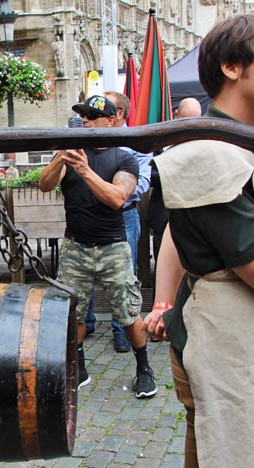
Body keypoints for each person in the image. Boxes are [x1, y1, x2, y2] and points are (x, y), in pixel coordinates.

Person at [144, 14, 254, 468]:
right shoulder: (210, 154)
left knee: (215, 466)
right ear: (233, 66)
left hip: (240, 338)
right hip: (223, 341)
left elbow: (176, 231)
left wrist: (163, 301)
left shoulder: (235, 144)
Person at [40, 95, 157, 398]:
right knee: (73, 313)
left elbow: (118, 197)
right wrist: (61, 157)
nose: (87, 121)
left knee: (129, 313)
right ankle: (78, 367)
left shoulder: (123, 157)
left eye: (93, 116)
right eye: (83, 115)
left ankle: (144, 369)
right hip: (75, 247)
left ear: (111, 121)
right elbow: (44, 185)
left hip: (113, 247)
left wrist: (85, 170)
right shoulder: (72, 153)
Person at [84, 90, 152, 354]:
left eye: (97, 114)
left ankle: (121, 329)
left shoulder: (138, 144)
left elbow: (142, 183)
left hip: (123, 216)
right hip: (89, 215)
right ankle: (85, 323)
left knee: (124, 277)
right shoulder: (85, 142)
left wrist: (111, 188)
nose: (89, 119)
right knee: (83, 269)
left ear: (117, 115)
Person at [146, 97, 202, 265]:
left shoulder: (205, 142)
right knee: (163, 266)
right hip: (163, 218)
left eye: (195, 120)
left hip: (195, 219)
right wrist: (173, 170)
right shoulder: (161, 140)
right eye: (187, 119)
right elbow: (149, 175)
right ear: (176, 115)